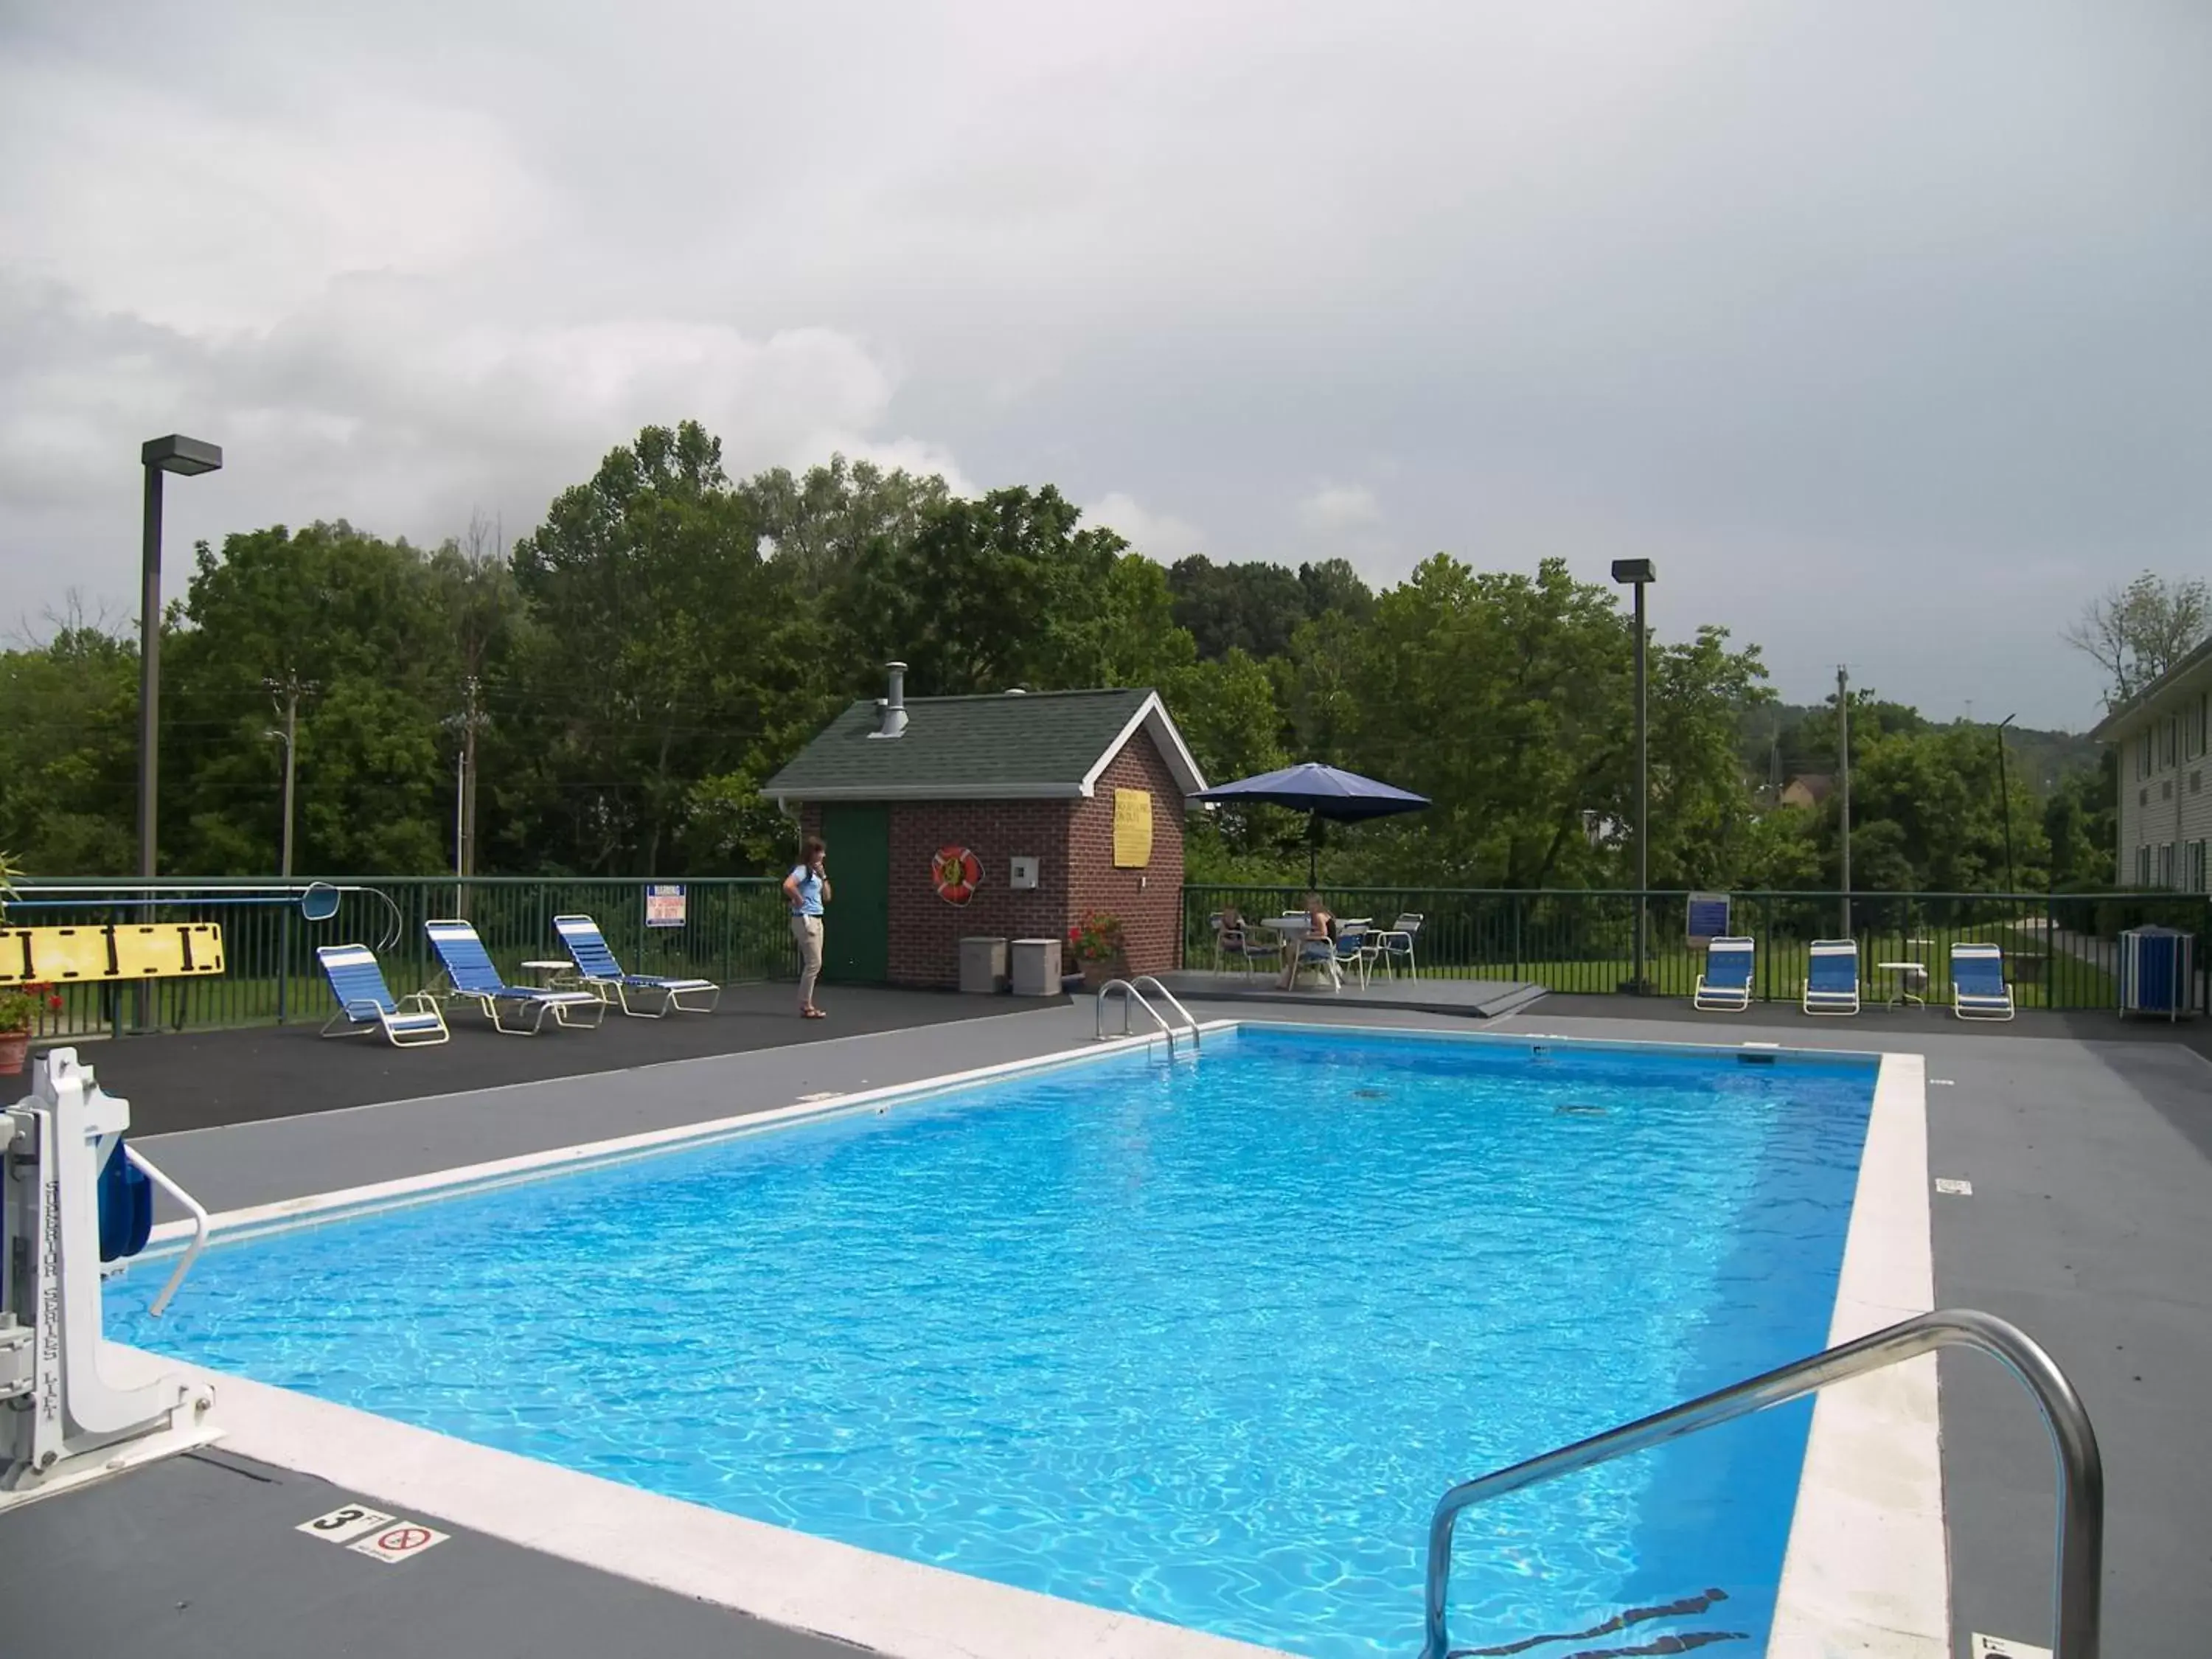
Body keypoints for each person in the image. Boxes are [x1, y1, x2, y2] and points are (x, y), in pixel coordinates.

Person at [783, 836, 832, 1018]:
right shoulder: (803, 870)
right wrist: (798, 898)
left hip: (817, 918)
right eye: (820, 852)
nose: (823, 855)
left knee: (815, 963)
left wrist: (823, 876)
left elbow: (827, 897)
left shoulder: (816, 874)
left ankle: (806, 1002)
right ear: (813, 853)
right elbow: (788, 885)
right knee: (814, 963)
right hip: (806, 919)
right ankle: (806, 1004)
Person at [1279, 892, 1334, 990]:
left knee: (1289, 949)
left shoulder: (1319, 916)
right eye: (1308, 904)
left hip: (1323, 947)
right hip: (1329, 946)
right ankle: (1292, 974)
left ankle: (1291, 976)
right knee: (1292, 949)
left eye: (1311, 904)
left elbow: (1323, 933)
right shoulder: (1323, 914)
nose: (1308, 906)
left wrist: (1308, 936)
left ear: (1317, 905)